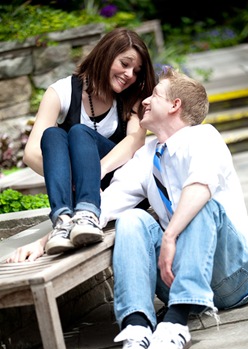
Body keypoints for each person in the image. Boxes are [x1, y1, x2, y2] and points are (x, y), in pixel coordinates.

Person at [7, 68, 248, 349]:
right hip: (178, 275)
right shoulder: (147, 156)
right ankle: (136, 326)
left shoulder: (203, 137)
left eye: (155, 95)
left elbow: (200, 185)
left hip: (234, 277)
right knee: (132, 219)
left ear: (175, 106)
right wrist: (44, 242)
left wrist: (169, 235)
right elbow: (104, 207)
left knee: (201, 204)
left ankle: (175, 323)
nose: (144, 101)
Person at [23, 27, 156, 255]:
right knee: (53, 135)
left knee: (78, 132)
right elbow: (31, 153)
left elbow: (135, 141)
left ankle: (87, 213)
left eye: (136, 70)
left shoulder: (134, 94)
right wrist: (73, 177)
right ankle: (63, 220)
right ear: (105, 55)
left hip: (118, 185)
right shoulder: (61, 92)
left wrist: (96, 172)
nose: (130, 75)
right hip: (78, 188)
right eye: (125, 64)